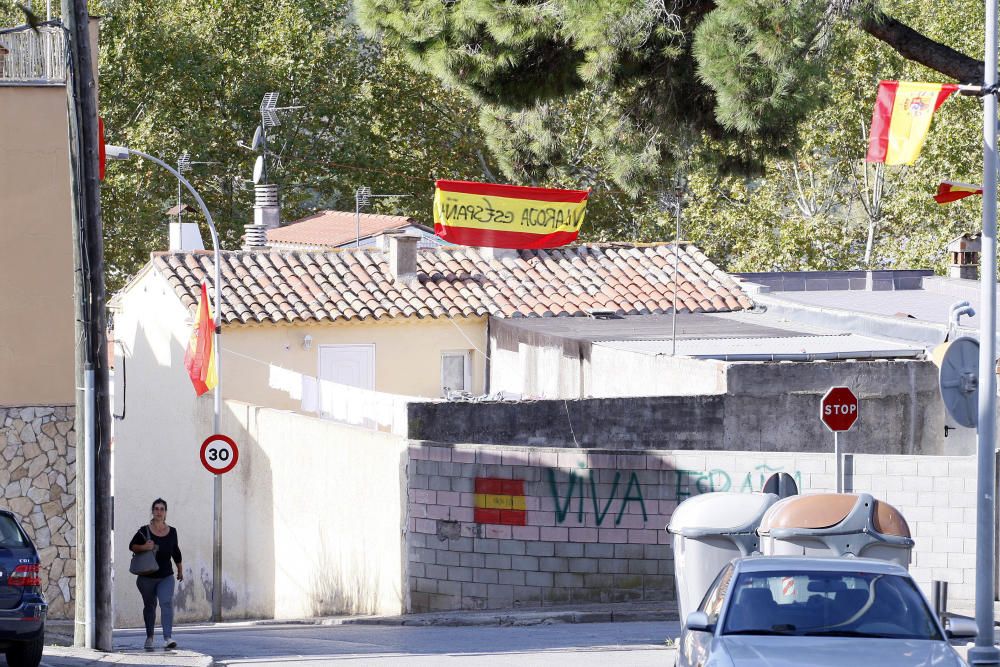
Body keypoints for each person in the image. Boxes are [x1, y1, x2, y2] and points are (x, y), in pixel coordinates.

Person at [129, 498, 183, 650]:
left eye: (162, 509)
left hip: (166, 575)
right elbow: (132, 546)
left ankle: (168, 638)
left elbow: (176, 551)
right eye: (156, 509)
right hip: (146, 577)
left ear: (165, 513)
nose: (159, 512)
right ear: (152, 511)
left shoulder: (172, 531)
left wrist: (179, 569)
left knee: (166, 603)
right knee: (150, 606)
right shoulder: (144, 530)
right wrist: (145, 547)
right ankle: (150, 637)